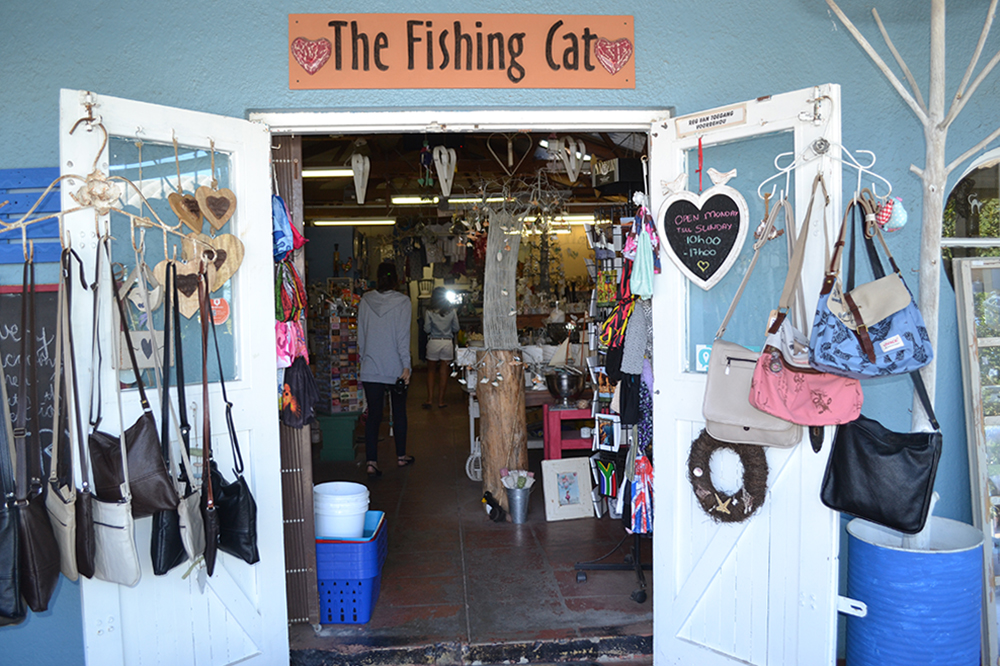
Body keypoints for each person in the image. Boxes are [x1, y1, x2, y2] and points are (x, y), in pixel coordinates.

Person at [357, 262, 413, 478]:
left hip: (371, 366)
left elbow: (361, 336)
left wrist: (364, 360)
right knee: (399, 412)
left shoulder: (365, 300)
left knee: (374, 415)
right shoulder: (403, 302)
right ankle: (401, 456)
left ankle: (371, 462)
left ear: (377, 278)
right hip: (396, 367)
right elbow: (402, 337)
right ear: (396, 278)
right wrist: (406, 365)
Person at [423, 287, 459, 409]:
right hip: (447, 343)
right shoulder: (452, 311)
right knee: (444, 372)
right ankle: (441, 401)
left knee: (431, 371)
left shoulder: (429, 311)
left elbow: (427, 329)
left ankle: (429, 399)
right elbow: (456, 328)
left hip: (433, 342)